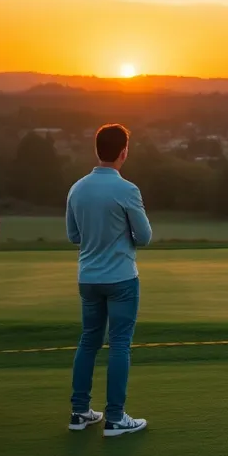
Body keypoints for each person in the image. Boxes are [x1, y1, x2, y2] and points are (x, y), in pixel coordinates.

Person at [66, 123, 153, 437]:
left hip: (88, 277)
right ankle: (115, 418)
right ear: (123, 152)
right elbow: (144, 237)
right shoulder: (127, 190)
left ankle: (79, 412)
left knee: (88, 341)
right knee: (119, 345)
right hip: (121, 278)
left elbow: (73, 235)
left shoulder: (77, 188)